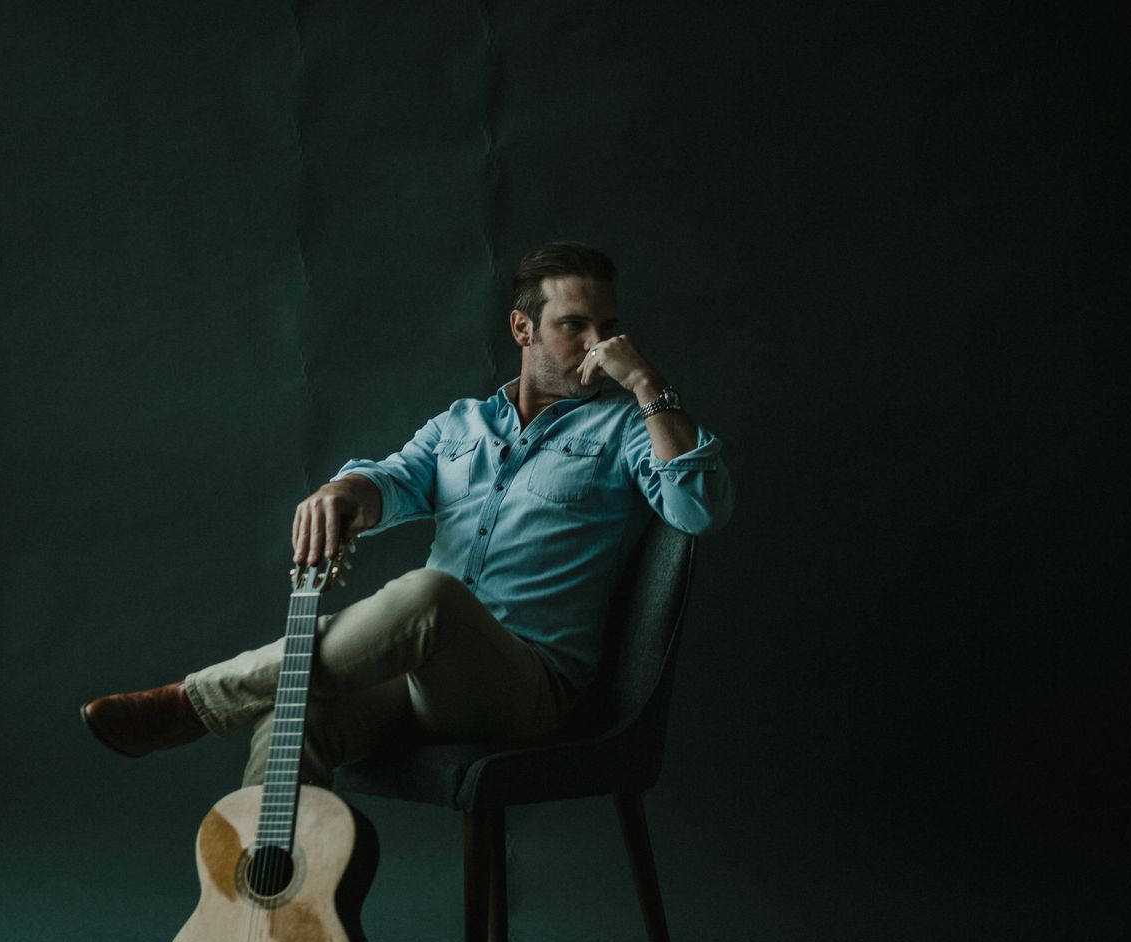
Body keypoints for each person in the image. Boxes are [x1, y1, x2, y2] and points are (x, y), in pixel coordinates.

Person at [80, 241, 733, 785]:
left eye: (608, 326)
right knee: (291, 720)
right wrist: (344, 490)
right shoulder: (462, 424)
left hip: (529, 692)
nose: (599, 345)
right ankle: (270, 897)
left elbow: (699, 508)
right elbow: (390, 481)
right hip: (425, 679)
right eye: (575, 325)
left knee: (430, 595)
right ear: (523, 329)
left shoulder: (629, 427)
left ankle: (193, 702)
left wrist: (647, 384)